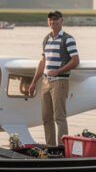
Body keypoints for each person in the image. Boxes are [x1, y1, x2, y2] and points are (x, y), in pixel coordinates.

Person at [28, 10, 80, 147]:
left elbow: (75, 61)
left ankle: (62, 148)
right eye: (50, 19)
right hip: (45, 82)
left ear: (61, 21)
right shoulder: (47, 39)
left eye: (55, 19)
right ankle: (51, 148)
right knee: (46, 118)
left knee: (59, 117)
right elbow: (43, 61)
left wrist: (58, 71)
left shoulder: (68, 39)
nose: (52, 21)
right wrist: (33, 83)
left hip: (60, 82)